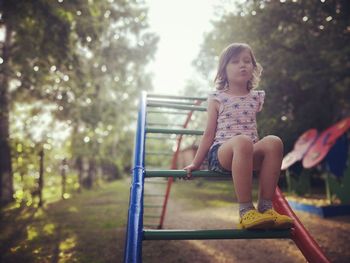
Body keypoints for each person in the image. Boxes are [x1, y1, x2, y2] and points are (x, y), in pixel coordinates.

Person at [184, 43, 294, 229]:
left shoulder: (255, 97)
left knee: (274, 142)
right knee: (243, 141)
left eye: (247, 61)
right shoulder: (217, 97)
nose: (242, 65)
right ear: (223, 70)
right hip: (222, 154)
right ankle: (245, 211)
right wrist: (196, 163)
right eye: (235, 62)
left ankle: (266, 208)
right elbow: (209, 133)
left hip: (247, 154)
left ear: (253, 67)